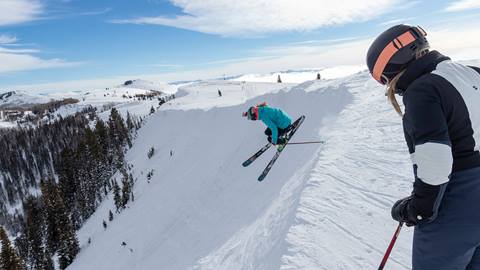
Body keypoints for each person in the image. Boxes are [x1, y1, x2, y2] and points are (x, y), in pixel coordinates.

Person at [367, 24, 480, 269]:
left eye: (387, 82)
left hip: (457, 204)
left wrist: (418, 209)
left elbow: (436, 163)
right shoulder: (473, 71)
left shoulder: (422, 90)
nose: (393, 90)